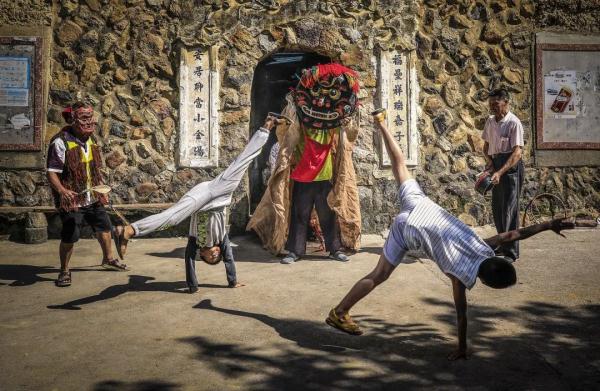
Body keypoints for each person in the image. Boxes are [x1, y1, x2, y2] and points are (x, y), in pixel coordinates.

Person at [325, 108, 573, 360]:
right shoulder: (461, 275)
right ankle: (339, 312)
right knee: (379, 275)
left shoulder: (483, 245)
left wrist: (547, 225)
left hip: (421, 206)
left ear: (496, 258)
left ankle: (380, 123)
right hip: (408, 228)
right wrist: (462, 348)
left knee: (399, 166)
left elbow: (513, 235)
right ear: (485, 282)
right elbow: (461, 313)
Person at [112, 116, 278, 292]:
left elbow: (189, 261)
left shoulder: (195, 242)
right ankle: (266, 128)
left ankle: (129, 230)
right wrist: (233, 281)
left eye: (211, 258)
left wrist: (193, 286)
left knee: (173, 218)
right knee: (242, 162)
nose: (215, 254)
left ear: (202, 254)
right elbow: (228, 259)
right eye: (217, 256)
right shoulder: (222, 240)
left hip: (202, 199)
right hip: (219, 195)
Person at [247, 63, 362, 264]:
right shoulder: (298, 122)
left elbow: (349, 132)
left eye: (331, 94)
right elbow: (287, 134)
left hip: (325, 176)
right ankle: (295, 251)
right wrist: (290, 112)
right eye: (317, 91)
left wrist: (347, 118)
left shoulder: (334, 127)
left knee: (328, 215)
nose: (323, 100)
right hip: (302, 175)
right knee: (300, 214)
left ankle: (334, 249)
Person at [46, 102, 127, 287]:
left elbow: (94, 170)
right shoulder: (61, 142)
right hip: (72, 199)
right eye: (84, 118)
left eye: (91, 117)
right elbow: (51, 172)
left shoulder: (91, 140)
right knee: (70, 236)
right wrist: (62, 191)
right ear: (72, 120)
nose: (90, 122)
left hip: (92, 196)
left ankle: (108, 259)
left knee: (104, 227)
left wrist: (101, 191)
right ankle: (64, 270)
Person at [482, 88, 525, 261]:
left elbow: (517, 153)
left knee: (510, 210)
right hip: (496, 165)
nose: (492, 107)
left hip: (511, 168)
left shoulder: (514, 123)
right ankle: (501, 245)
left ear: (506, 102)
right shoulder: (490, 122)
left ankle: (511, 252)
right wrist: (491, 164)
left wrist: (500, 171)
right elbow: (485, 147)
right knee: (498, 209)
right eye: (490, 104)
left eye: (496, 104)